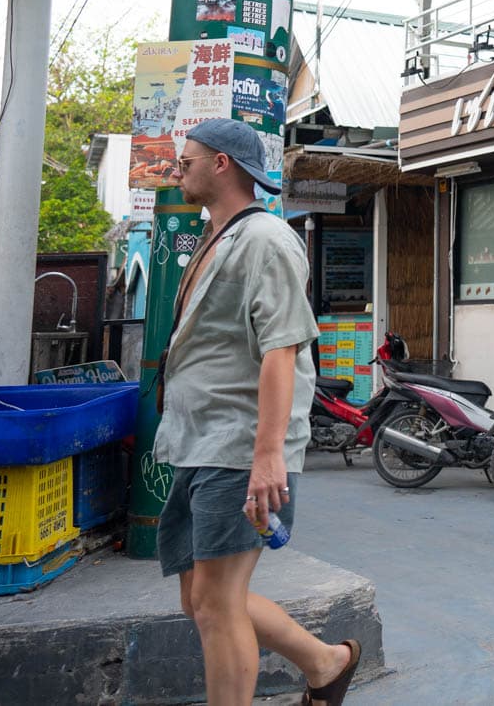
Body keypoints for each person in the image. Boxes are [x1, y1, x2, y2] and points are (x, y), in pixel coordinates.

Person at [154, 118, 361, 704]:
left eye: (188, 158)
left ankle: (324, 665)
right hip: (199, 440)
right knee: (199, 596)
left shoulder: (267, 239)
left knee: (217, 604)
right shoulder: (218, 238)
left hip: (240, 444)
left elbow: (282, 347)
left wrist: (267, 456)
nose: (179, 166)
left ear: (222, 164)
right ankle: (325, 663)